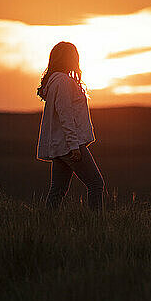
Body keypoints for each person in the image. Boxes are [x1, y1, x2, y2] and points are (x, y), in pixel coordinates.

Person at [36, 41, 105, 210]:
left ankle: (45, 224)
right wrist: (74, 145)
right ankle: (96, 226)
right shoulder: (64, 82)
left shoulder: (56, 81)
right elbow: (65, 115)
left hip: (60, 145)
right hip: (69, 145)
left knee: (58, 190)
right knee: (96, 184)